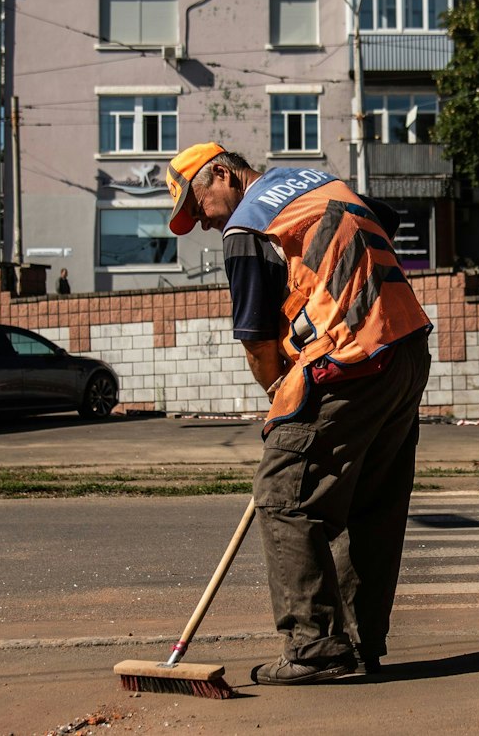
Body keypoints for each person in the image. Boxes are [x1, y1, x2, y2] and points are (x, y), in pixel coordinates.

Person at [165, 142, 431, 686]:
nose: (204, 225)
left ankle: (315, 650)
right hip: (404, 346)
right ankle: (360, 642)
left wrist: (281, 402)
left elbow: (260, 344)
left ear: (222, 174)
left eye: (199, 208)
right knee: (368, 501)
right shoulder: (314, 183)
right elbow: (383, 218)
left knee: (283, 497)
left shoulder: (247, 225)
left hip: (349, 360)